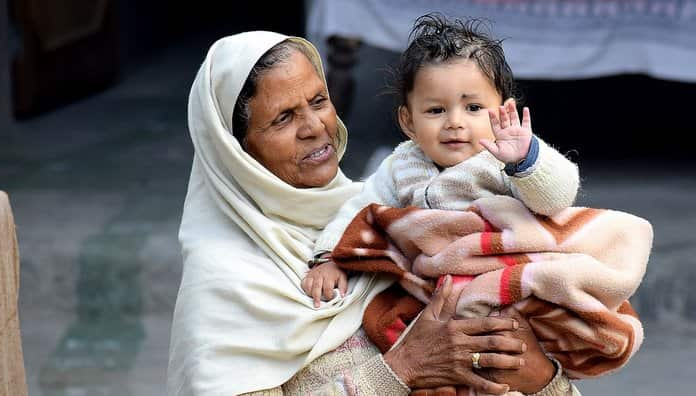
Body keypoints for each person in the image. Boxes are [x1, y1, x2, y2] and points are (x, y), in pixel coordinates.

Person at [167, 30, 578, 395]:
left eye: (318, 101)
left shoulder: (388, 217)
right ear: (235, 150)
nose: (315, 126)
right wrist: (402, 367)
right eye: (283, 118)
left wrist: (543, 378)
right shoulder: (226, 279)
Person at [305, 15, 579, 309]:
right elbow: (358, 212)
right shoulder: (401, 166)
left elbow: (556, 200)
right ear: (408, 121)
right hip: (435, 292)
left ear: (502, 111)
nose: (455, 123)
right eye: (436, 110)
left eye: (473, 107)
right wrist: (331, 258)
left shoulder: (507, 158)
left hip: (507, 279)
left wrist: (527, 161)